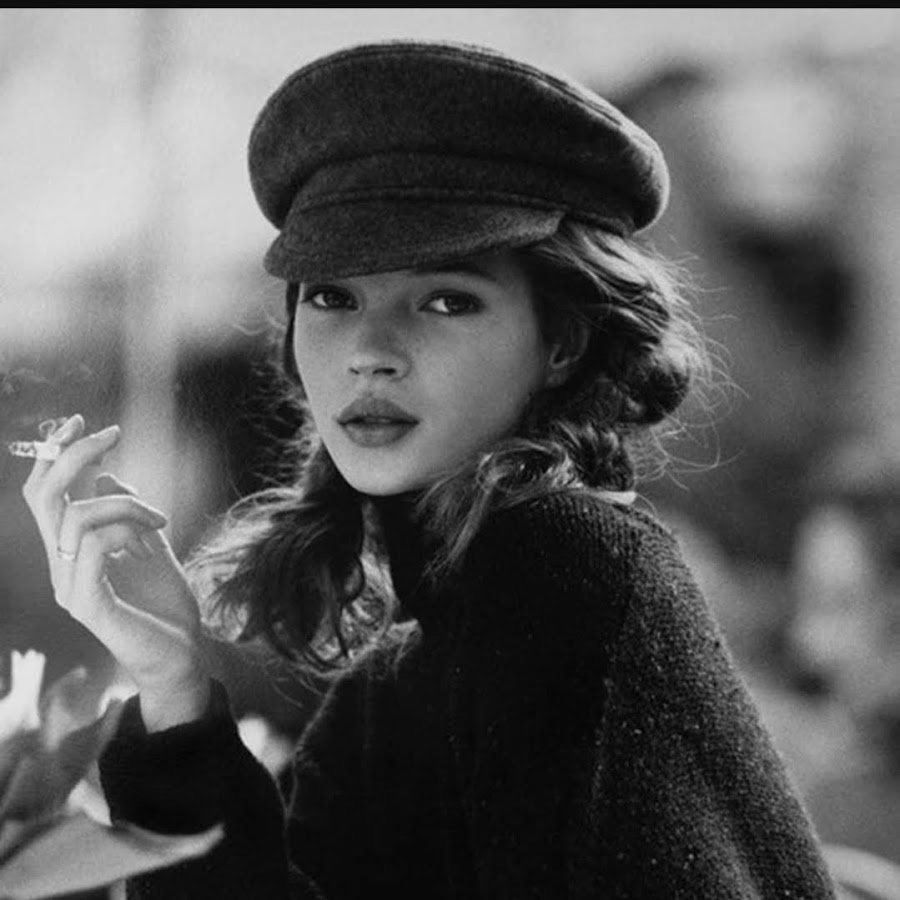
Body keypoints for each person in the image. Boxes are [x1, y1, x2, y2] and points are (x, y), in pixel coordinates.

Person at [21, 40, 837, 899]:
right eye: (333, 296)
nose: (370, 351)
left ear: (562, 341)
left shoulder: (563, 564)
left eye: (447, 299)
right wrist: (172, 680)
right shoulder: (406, 661)